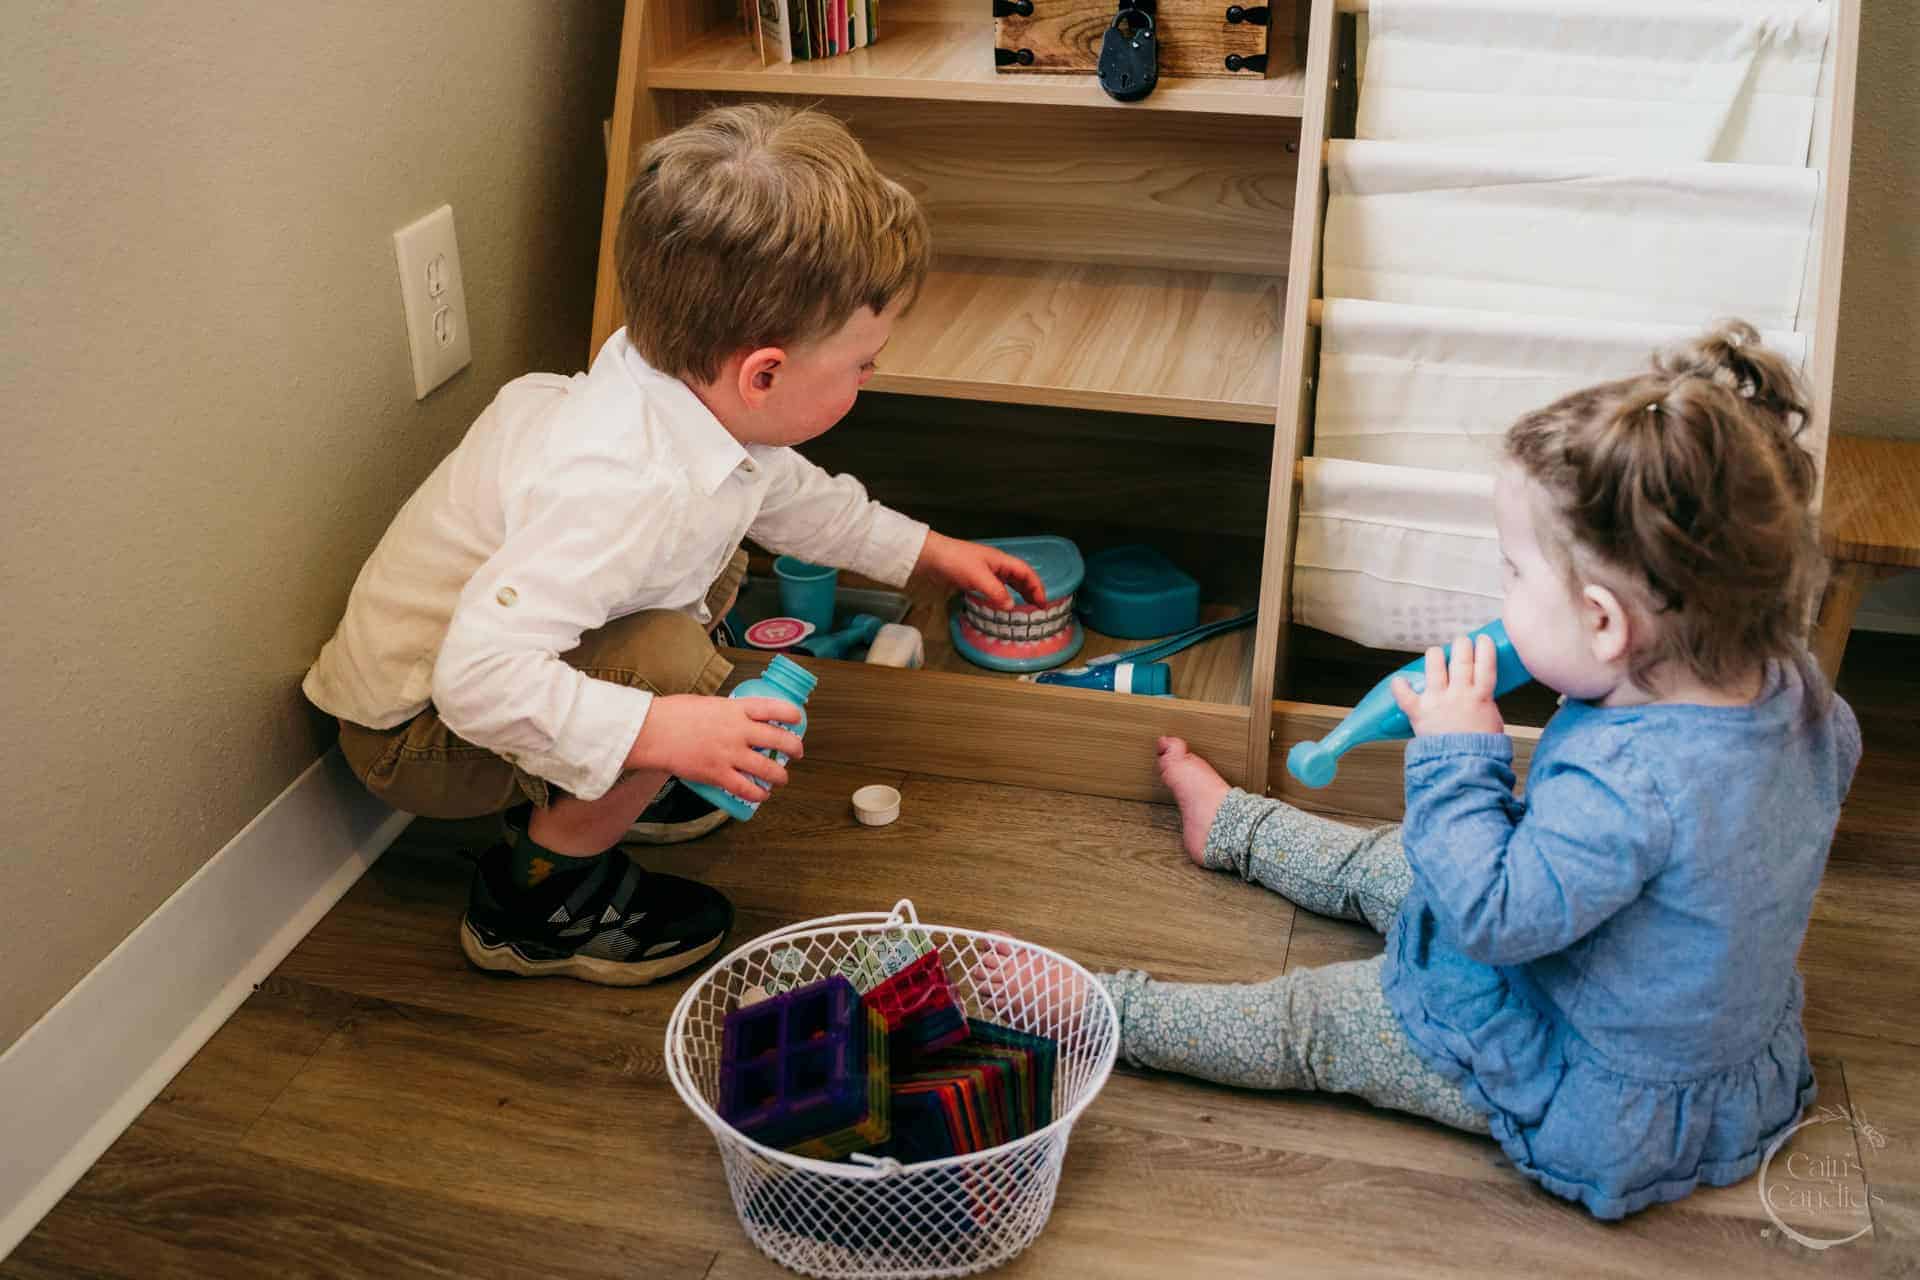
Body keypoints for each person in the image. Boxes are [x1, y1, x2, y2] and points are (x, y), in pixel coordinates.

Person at [983, 321, 1860, 1219]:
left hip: (1578, 1065)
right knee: (1398, 862)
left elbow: (1491, 918)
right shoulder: (1799, 697)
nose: (1503, 599)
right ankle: (1236, 829)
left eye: (1516, 575)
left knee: (1311, 1025)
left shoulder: (1629, 787)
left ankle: (1101, 1011)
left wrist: (1456, 754)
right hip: (1683, 1013)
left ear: (1605, 625)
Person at [305, 104, 1042, 987]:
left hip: (481, 672)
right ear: (762, 373)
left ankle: (621, 777)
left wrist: (929, 551)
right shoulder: (623, 488)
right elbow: (475, 679)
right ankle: (539, 900)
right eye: (863, 364)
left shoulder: (683, 394)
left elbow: (794, 499)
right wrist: (661, 727)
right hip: (416, 732)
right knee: (671, 660)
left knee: (722, 552)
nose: (869, 378)